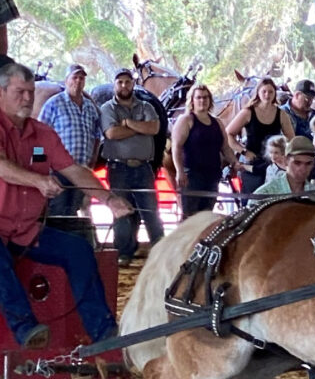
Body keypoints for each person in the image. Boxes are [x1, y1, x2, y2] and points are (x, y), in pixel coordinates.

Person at [0, 61, 133, 349]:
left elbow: (73, 170)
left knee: (78, 251)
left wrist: (109, 199)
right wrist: (39, 182)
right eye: (20, 92)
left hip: (19, 230)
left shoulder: (41, 134)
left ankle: (104, 334)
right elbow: (0, 166)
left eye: (30, 91)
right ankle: (25, 329)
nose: (28, 98)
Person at [228, 136, 315, 379]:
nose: (302, 170)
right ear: (285, 161)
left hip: (306, 274)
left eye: (308, 164)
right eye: (297, 163)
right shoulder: (267, 193)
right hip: (271, 273)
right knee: (253, 343)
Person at [100, 69, 165, 267]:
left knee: (151, 210)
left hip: (143, 167)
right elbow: (111, 133)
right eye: (120, 82)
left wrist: (127, 123)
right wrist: (139, 127)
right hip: (118, 168)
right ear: (114, 84)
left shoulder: (146, 106)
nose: (124, 86)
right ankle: (124, 253)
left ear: (133, 84)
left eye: (127, 82)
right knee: (121, 211)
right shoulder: (107, 108)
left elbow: (154, 129)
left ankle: (160, 250)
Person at [37, 64, 102, 217]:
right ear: (66, 81)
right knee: (58, 213)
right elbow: (38, 138)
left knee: (73, 211)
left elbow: (97, 135)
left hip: (82, 171)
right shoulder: (54, 104)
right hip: (60, 171)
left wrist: (92, 161)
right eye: (74, 77)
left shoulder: (90, 108)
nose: (78, 81)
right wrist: (40, 168)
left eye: (81, 78)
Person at [171, 84, 238, 219]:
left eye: (206, 97)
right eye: (199, 98)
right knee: (189, 218)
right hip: (192, 178)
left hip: (212, 177)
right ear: (193, 100)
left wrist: (235, 162)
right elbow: (176, 147)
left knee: (206, 217)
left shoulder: (217, 122)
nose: (202, 100)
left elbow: (225, 147)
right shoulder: (186, 120)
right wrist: (180, 171)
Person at [225, 77, 293, 198]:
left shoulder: (281, 114)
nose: (267, 95)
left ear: (275, 93)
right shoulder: (248, 112)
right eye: (264, 91)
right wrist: (244, 151)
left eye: (271, 92)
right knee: (252, 199)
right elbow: (228, 134)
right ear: (258, 93)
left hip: (274, 163)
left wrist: (283, 154)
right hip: (252, 163)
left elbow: (291, 138)